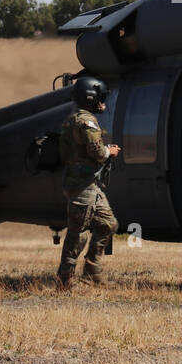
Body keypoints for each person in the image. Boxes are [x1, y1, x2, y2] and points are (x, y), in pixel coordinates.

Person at [56, 76, 121, 288]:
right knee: (78, 233)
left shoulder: (73, 118)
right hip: (82, 185)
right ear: (90, 98)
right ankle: (65, 279)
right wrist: (109, 151)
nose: (103, 103)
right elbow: (96, 151)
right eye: (100, 99)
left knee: (107, 224)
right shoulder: (87, 121)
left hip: (89, 184)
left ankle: (92, 271)